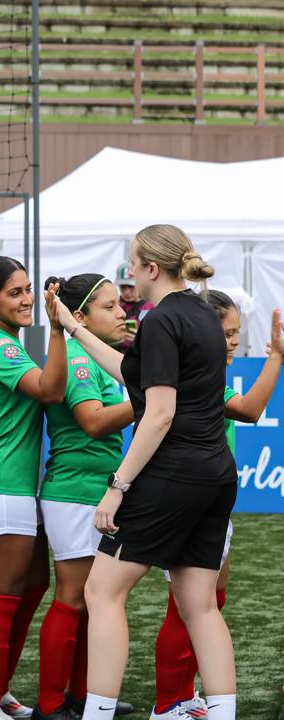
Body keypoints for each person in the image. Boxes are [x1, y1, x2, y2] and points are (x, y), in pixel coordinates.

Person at [53, 225, 238, 720]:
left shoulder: (159, 322)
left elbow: (157, 414)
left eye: (132, 263)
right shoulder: (201, 312)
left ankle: (96, 713)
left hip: (173, 472)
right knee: (199, 604)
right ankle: (222, 712)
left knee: (101, 590)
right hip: (216, 472)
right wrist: (73, 328)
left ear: (152, 268)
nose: (129, 273)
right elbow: (130, 372)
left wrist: (117, 488)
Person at [150, 290, 284, 720]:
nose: (231, 342)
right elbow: (248, 409)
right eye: (224, 333)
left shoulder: (201, 372)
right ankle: (169, 702)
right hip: (185, 495)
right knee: (189, 606)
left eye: (235, 334)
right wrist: (277, 358)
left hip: (207, 496)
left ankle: (183, 698)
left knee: (208, 601)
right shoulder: (193, 374)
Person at [0, 256, 67, 720]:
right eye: (15, 294)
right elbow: (50, 390)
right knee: (2, 600)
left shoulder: (4, 341)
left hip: (14, 487)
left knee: (34, 587)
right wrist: (61, 331)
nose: (27, 301)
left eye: (27, 290)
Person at [34, 274, 134, 720]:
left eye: (120, 304)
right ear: (78, 318)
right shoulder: (77, 356)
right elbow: (92, 421)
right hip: (74, 491)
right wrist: (155, 397)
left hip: (95, 489)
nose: (122, 313)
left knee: (95, 600)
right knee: (74, 597)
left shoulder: (97, 357)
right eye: (109, 306)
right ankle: (51, 704)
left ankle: (80, 697)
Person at [114, 261, 154, 351]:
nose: (127, 292)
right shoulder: (114, 305)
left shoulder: (152, 306)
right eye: (123, 287)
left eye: (131, 286)